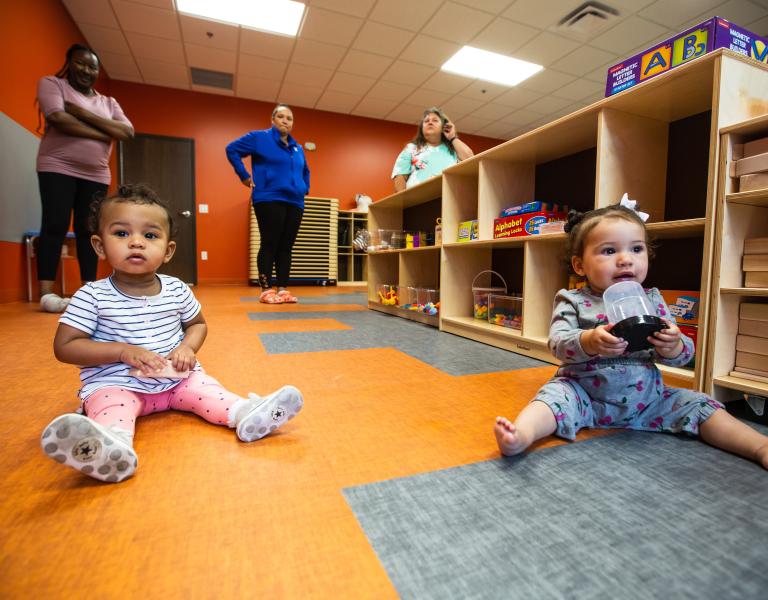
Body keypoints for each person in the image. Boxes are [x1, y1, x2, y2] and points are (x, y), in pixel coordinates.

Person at [40, 184, 304, 483]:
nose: (136, 243)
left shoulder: (177, 289)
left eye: (150, 235)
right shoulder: (92, 295)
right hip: (116, 383)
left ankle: (246, 413)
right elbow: (65, 346)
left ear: (167, 250)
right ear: (100, 246)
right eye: (122, 234)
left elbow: (198, 324)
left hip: (178, 380)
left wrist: (187, 348)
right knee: (111, 407)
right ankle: (110, 448)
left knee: (209, 392)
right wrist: (122, 351)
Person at [493, 201, 768, 469]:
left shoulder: (653, 300)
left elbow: (684, 355)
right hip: (584, 394)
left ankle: (759, 446)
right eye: (609, 251)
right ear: (579, 265)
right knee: (552, 398)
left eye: (636, 249)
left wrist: (672, 347)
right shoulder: (572, 299)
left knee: (699, 404)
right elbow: (557, 344)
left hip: (649, 400)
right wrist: (588, 341)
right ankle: (521, 436)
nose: (625, 259)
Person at [35, 44, 135, 313]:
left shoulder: (108, 102)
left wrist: (81, 113)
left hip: (96, 172)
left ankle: (87, 290)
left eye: (92, 66)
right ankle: (46, 292)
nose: (86, 70)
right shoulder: (52, 84)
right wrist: (104, 132)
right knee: (54, 225)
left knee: (88, 230)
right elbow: (57, 118)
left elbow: (127, 132)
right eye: (81, 63)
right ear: (69, 62)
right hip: (57, 165)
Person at [225, 104, 309, 304]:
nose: (285, 121)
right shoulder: (259, 138)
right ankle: (265, 289)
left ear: (292, 123)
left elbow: (305, 169)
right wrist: (243, 175)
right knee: (270, 243)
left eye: (289, 118)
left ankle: (282, 289)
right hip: (269, 197)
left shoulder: (297, 148)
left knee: (286, 246)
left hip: (295, 201)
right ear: (273, 120)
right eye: (280, 117)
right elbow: (232, 149)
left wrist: (304, 187)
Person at [391, 107, 474, 192]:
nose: (430, 122)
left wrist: (452, 137)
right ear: (421, 128)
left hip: (448, 197)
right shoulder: (411, 148)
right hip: (416, 200)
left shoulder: (454, 149)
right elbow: (399, 177)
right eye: (426, 121)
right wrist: (404, 202)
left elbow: (471, 160)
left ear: (444, 127)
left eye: (435, 120)